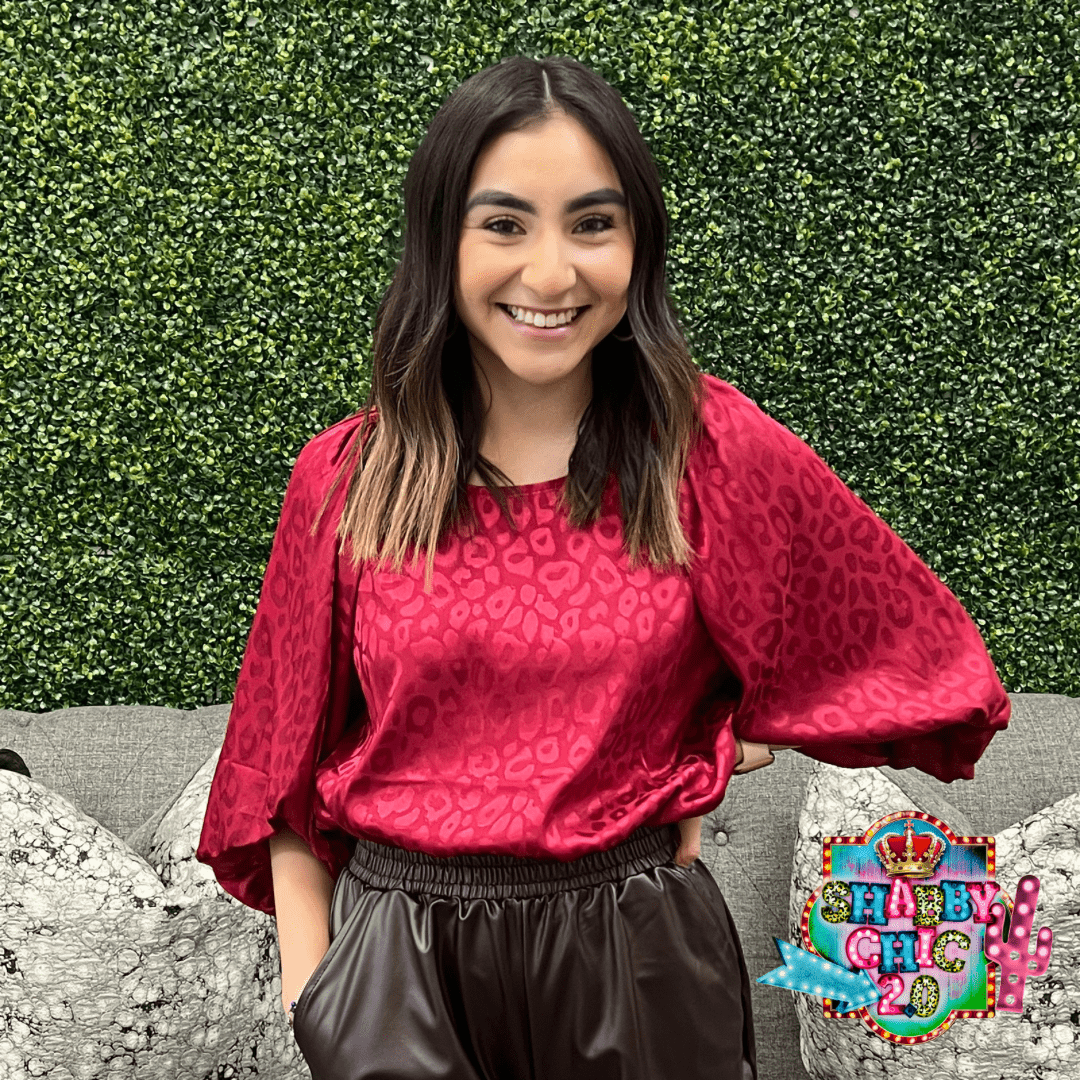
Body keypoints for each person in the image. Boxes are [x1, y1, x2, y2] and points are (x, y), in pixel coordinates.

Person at [195, 55, 1011, 1080]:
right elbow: (277, 770)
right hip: (401, 970)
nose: (551, 274)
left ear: (639, 244)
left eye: (592, 223)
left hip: (641, 958)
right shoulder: (346, 479)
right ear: (439, 241)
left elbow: (922, 665)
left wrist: (715, 735)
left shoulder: (709, 453)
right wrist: (316, 995)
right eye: (503, 224)